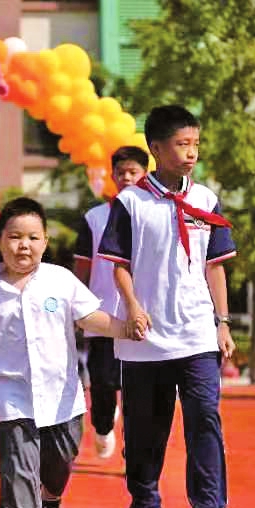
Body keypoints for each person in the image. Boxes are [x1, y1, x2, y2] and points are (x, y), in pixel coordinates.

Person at [0, 197, 144, 508]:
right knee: (18, 461)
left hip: (61, 392)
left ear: (45, 242)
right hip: (8, 391)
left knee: (60, 459)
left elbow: (91, 318)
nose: (23, 245)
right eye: (14, 237)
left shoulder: (60, 280)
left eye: (32, 237)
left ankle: (51, 497)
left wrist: (127, 329)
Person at [99, 105, 236, 508]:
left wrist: (223, 321)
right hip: (146, 340)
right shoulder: (130, 202)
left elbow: (215, 266)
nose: (192, 153)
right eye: (182, 144)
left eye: (196, 143)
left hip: (197, 334)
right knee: (145, 431)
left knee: (205, 423)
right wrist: (133, 306)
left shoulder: (206, 199)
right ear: (156, 148)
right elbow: (118, 264)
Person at [73, 146, 149, 460]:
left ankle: (136, 452)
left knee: (139, 390)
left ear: (145, 174)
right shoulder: (94, 218)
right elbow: (82, 267)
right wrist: (76, 309)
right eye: (121, 173)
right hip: (102, 317)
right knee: (103, 383)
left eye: (134, 171)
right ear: (112, 177)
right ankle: (103, 426)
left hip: (144, 318)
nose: (127, 177)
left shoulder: (157, 213)